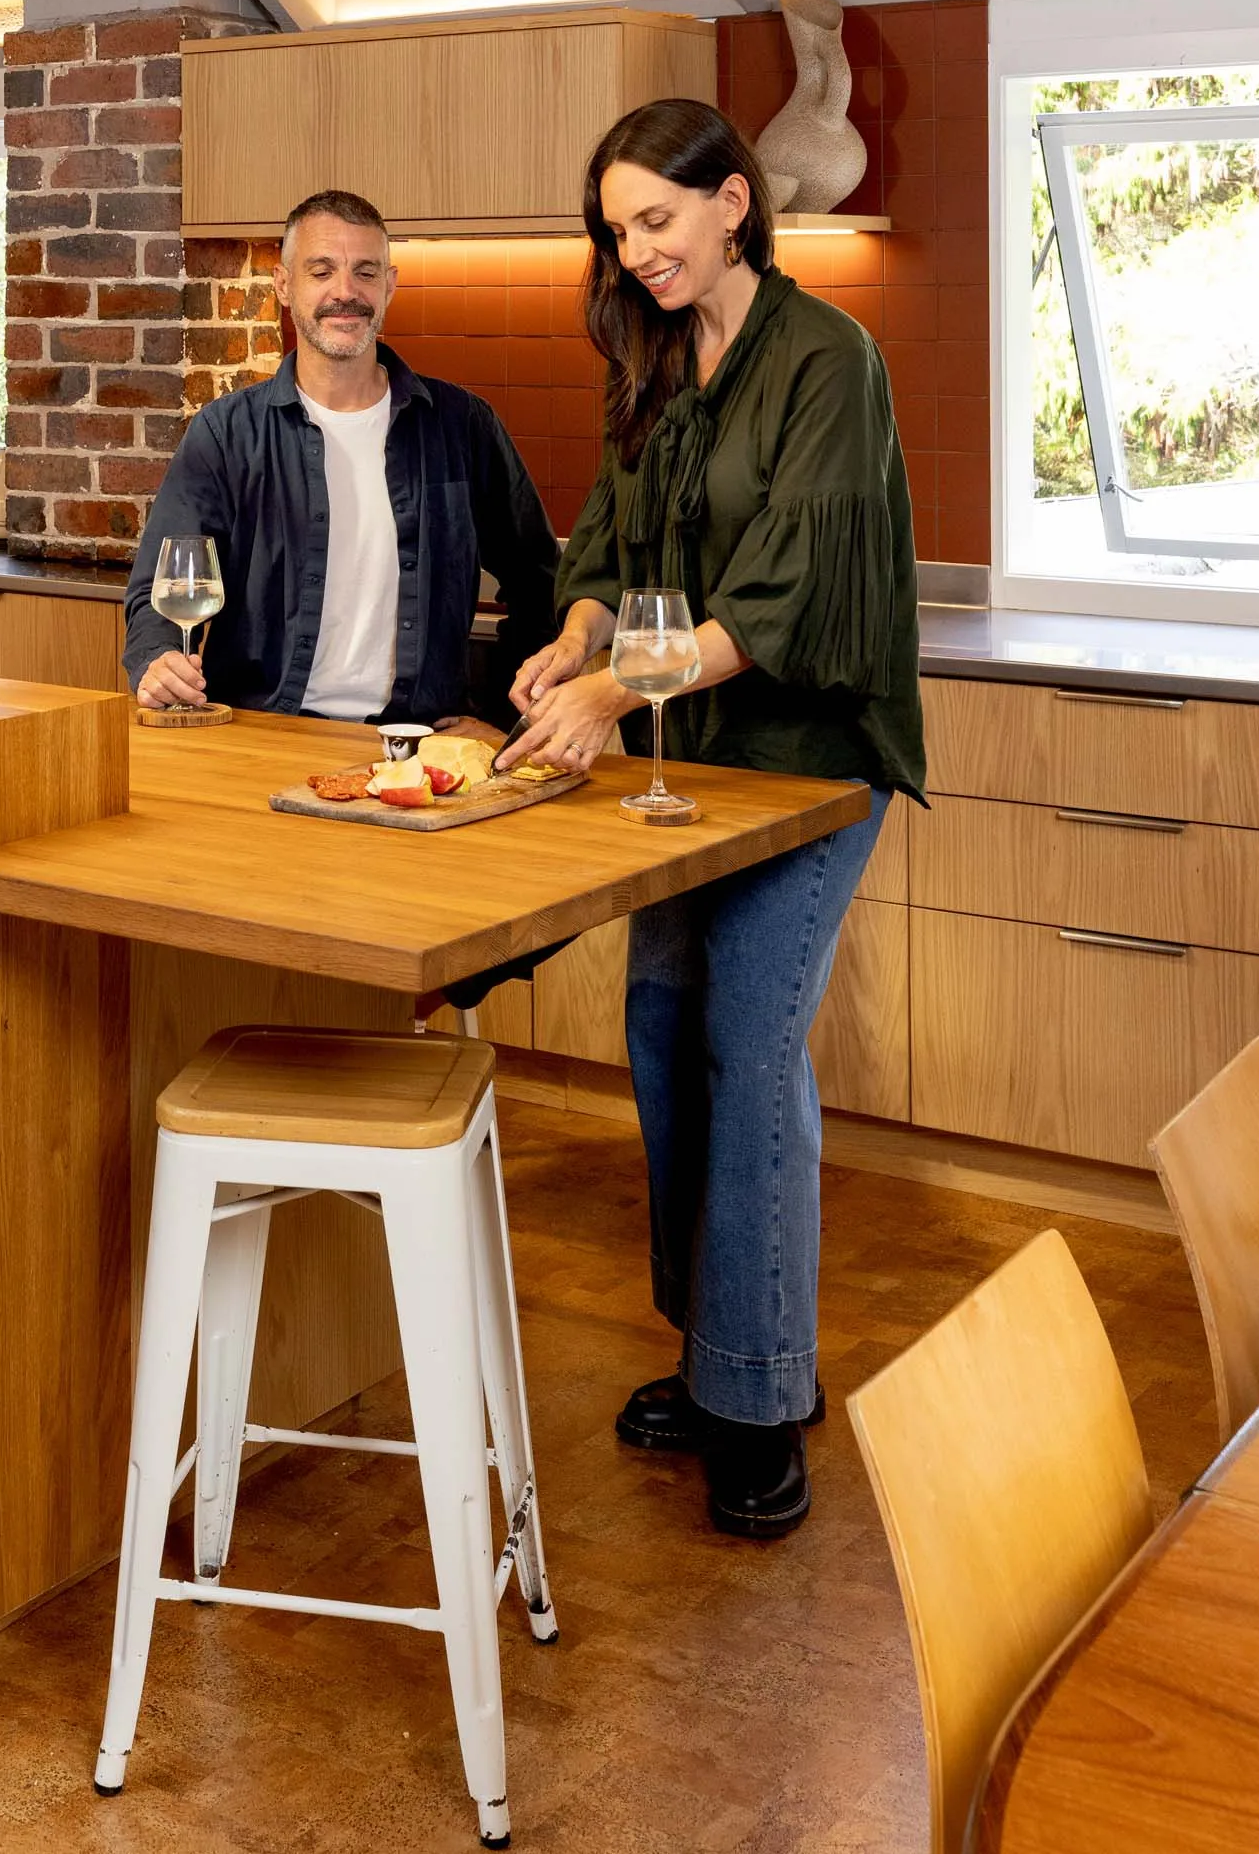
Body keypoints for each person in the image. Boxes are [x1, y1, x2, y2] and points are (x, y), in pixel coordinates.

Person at [500, 99, 924, 1539]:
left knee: (749, 1042)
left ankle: (759, 1398)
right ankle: (721, 1350)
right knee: (662, 1032)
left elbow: (785, 601)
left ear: (732, 201)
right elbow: (610, 544)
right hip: (693, 763)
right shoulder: (654, 354)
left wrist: (610, 700)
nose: (637, 250)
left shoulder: (829, 361)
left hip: (807, 758)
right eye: (617, 229)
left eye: (657, 221)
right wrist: (574, 641)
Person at [123, 188, 559, 725]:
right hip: (261, 730)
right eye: (322, 271)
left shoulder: (463, 425)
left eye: (366, 272)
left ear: (391, 285)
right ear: (284, 285)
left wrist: (498, 714)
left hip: (419, 744)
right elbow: (157, 590)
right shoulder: (225, 433)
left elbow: (543, 584)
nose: (346, 292)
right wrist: (157, 659)